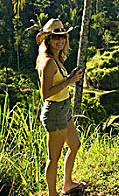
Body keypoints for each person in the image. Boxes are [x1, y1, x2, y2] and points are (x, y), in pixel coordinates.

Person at [36, 19, 86, 196]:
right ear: (47, 40)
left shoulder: (57, 58)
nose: (60, 40)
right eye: (55, 37)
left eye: (62, 36)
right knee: (53, 157)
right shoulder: (48, 62)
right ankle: (52, 193)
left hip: (64, 107)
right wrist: (69, 81)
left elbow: (60, 84)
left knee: (75, 144)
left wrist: (68, 81)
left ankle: (67, 184)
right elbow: (46, 93)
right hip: (55, 110)